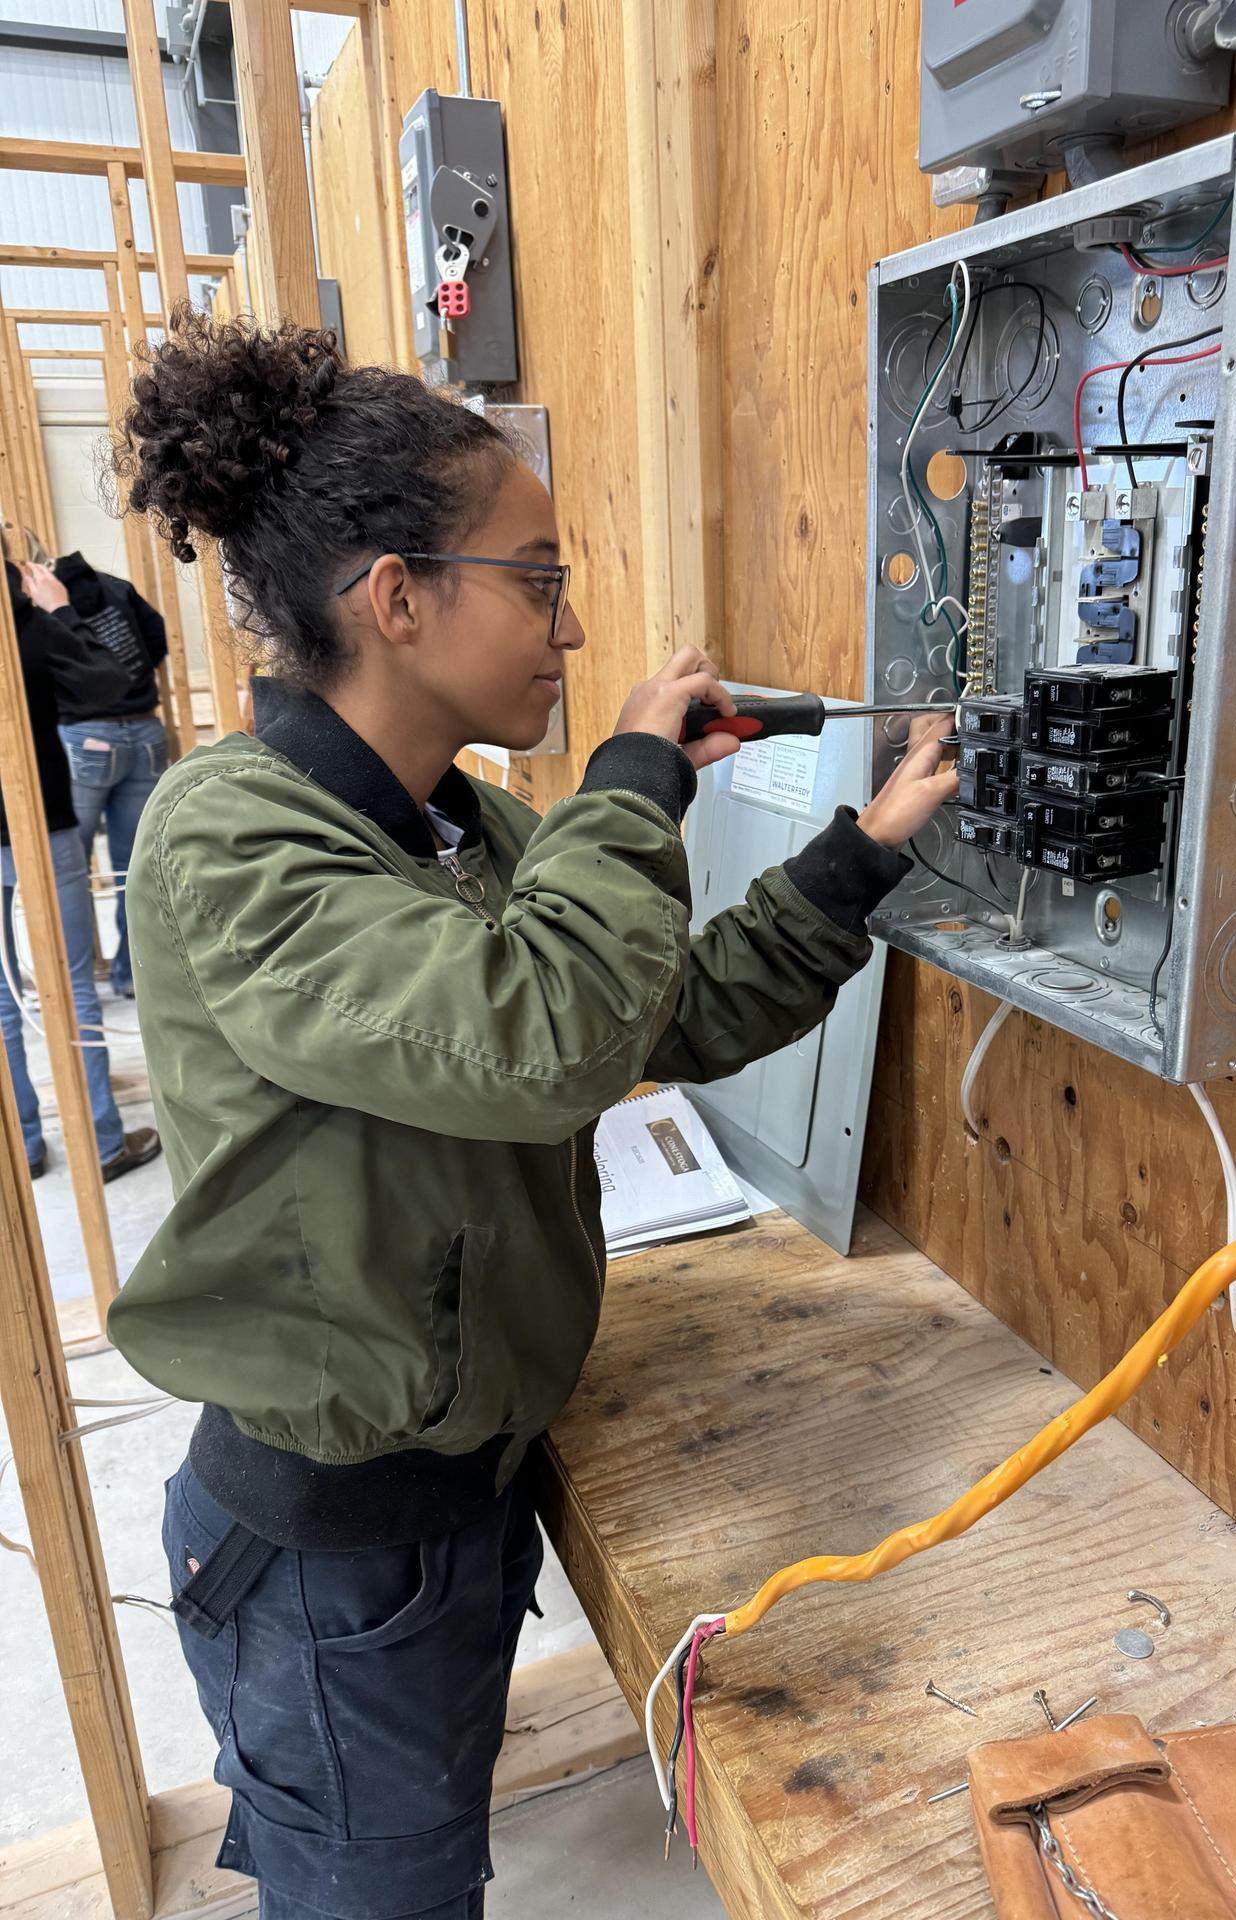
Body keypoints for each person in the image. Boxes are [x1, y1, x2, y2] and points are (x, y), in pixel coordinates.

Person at [105, 310, 957, 1920]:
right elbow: (543, 1035)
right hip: (330, 1549)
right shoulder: (234, 839)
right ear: (398, 596)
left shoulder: (465, 823)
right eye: (541, 580)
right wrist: (635, 775)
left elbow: (665, 1011)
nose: (570, 634)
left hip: (464, 1495)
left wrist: (863, 853)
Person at [1, 541, 164, 1183]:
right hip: (42, 825)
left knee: (2, 997)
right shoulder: (29, 625)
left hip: (46, 817)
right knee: (74, 991)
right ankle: (101, 1144)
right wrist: (61, 611)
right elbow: (110, 678)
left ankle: (26, 1147)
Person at [27, 549, 171, 999]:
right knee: (138, 870)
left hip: (85, 738)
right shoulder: (117, 587)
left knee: (68, 869)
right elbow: (158, 638)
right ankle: (134, 976)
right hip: (146, 731)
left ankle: (77, 985)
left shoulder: (44, 604)